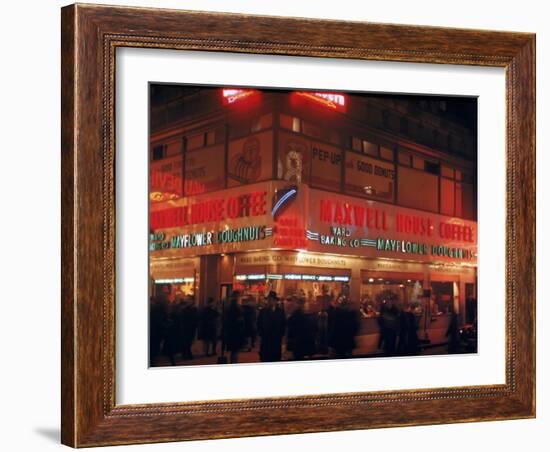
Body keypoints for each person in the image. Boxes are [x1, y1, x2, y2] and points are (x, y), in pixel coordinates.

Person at [257, 291, 286, 362]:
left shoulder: (280, 312)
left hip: (276, 340)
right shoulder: (263, 311)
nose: (270, 301)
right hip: (266, 340)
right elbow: (259, 324)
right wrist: (261, 334)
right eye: (269, 300)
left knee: (275, 358)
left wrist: (281, 335)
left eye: (272, 300)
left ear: (275, 301)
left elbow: (283, 324)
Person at [223, 291, 245, 363]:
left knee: (234, 351)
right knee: (235, 351)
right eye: (239, 296)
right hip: (235, 331)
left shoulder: (230, 305)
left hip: (231, 331)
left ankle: (233, 362)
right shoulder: (235, 306)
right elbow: (237, 318)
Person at [179, 296, 198, 360]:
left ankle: (186, 353)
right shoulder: (185, 309)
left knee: (189, 341)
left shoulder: (193, 309)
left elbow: (195, 318)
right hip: (186, 327)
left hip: (191, 327)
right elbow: (183, 319)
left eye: (190, 300)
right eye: (188, 300)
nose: (189, 301)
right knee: (186, 341)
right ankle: (187, 354)